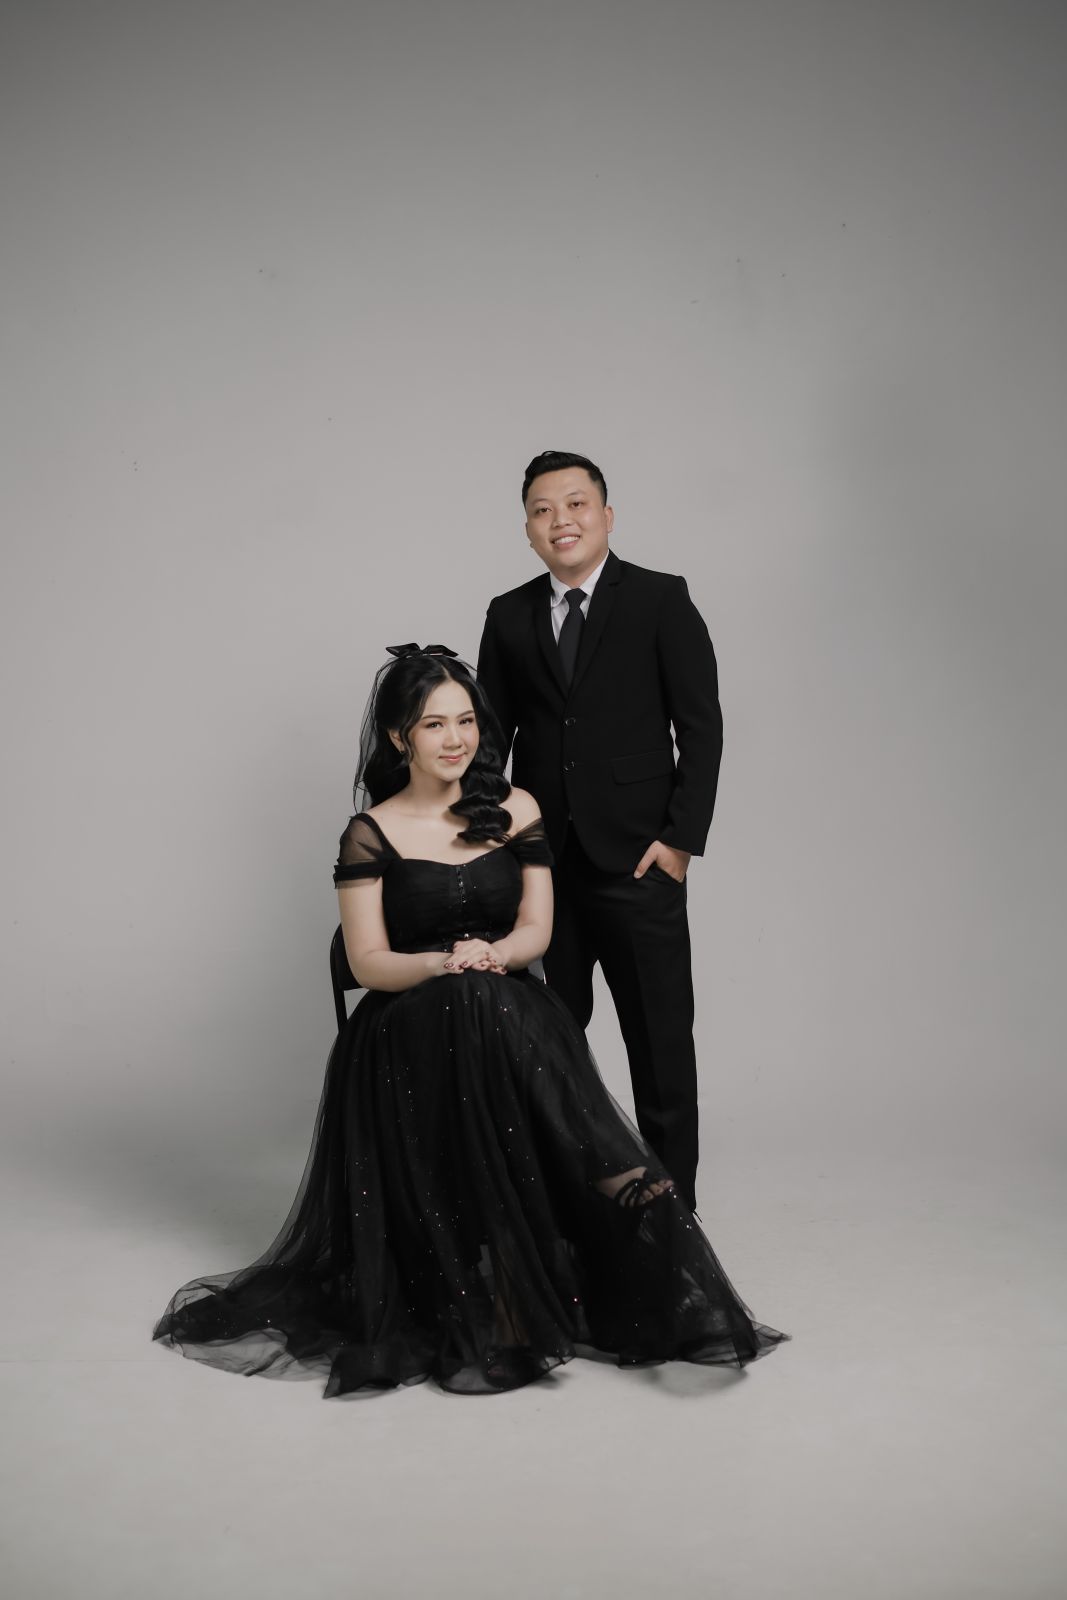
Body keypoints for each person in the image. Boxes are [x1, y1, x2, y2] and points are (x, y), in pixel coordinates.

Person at [153, 646, 784, 1398]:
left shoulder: (517, 809)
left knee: (490, 1004)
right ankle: (582, 1199)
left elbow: (536, 932)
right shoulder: (371, 831)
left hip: (498, 1000)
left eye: (466, 721)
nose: (455, 739)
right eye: (433, 725)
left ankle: (569, 1236)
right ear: (400, 737)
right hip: (406, 1020)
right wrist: (442, 964)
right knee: (473, 1004)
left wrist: (493, 955)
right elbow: (366, 961)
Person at [477, 450, 721, 1213]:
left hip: (639, 862)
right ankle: (563, 1205)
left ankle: (674, 1211)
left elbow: (700, 726)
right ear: (527, 530)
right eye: (542, 510)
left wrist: (679, 841)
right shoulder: (507, 615)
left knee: (659, 1042)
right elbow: (489, 746)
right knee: (549, 1042)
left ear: (606, 516)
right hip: (542, 870)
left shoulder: (659, 599)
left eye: (576, 504)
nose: (561, 520)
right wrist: (495, 853)